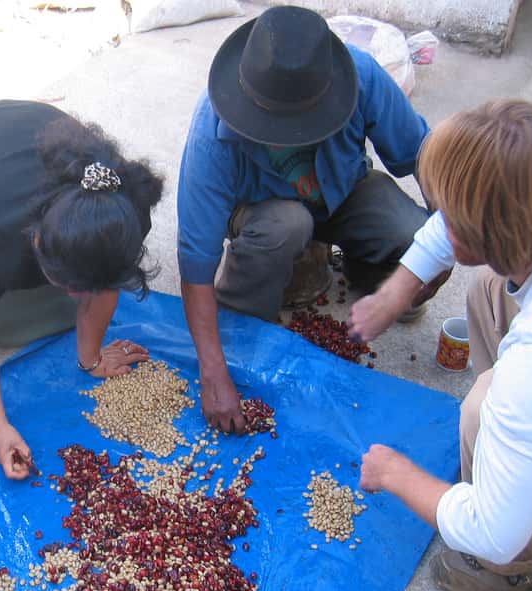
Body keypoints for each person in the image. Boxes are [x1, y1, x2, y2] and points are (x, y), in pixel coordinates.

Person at [177, 5, 446, 434]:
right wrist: (214, 373)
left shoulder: (362, 76)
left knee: (412, 234)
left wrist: (441, 243)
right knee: (286, 226)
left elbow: (423, 155)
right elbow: (195, 257)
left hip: (345, 190)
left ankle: (368, 273)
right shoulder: (213, 128)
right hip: (268, 212)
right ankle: (246, 320)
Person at [358, 100, 532, 591]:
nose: (440, 221)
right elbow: (458, 225)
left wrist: (396, 472)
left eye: (450, 216)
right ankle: (527, 465)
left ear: (490, 232)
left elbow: (489, 532)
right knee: (488, 290)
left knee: (480, 406)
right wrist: (395, 291)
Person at [0, 99, 164, 478]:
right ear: (36, 240)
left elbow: (105, 282)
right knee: (3, 327)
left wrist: (92, 359)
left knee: (73, 308)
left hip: (27, 139)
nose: (76, 295)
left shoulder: (123, 209)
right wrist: (0, 428)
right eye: (66, 282)